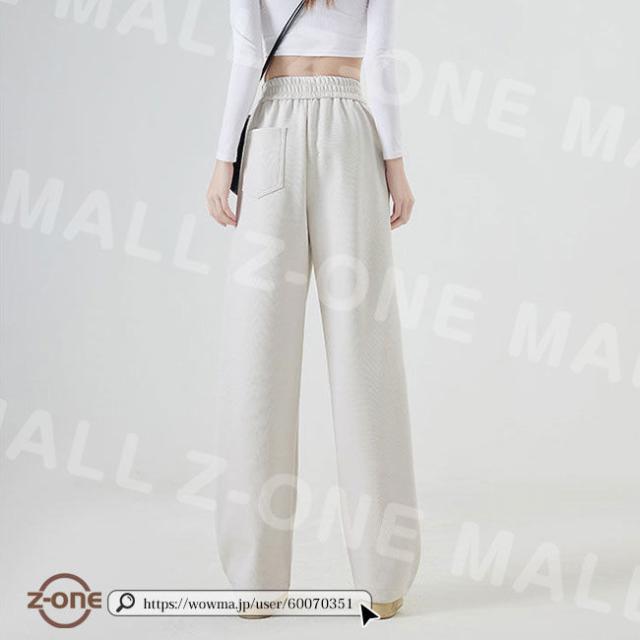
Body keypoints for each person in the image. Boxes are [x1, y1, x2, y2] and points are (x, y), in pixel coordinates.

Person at [207, 0, 420, 620]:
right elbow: (377, 60)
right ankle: (380, 579)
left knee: (266, 356)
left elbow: (249, 56)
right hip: (339, 131)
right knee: (358, 352)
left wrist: (224, 160)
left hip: (280, 128)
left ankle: (261, 580)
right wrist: (396, 166)